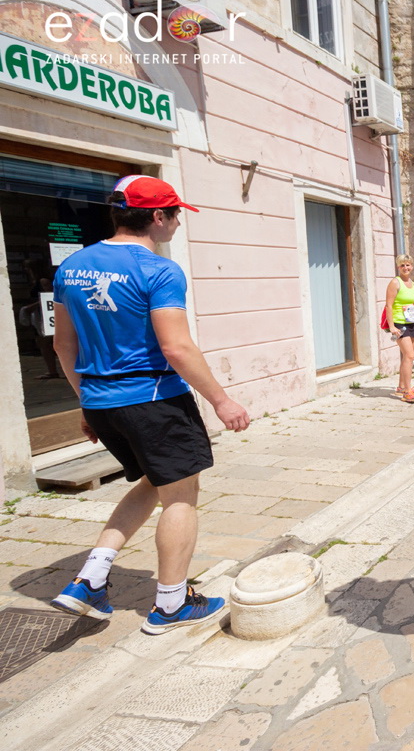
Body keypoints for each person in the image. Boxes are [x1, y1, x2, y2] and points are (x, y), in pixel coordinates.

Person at [49, 175, 250, 634]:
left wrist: (87, 402)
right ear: (156, 217)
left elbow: (64, 346)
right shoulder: (158, 269)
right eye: (175, 214)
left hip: (101, 399)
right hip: (154, 399)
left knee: (154, 483)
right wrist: (221, 400)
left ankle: (90, 578)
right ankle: (171, 604)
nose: (178, 223)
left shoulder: (72, 266)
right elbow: (176, 348)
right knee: (180, 495)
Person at [385, 254, 414, 403]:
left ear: (411, 266)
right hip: (400, 324)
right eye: (402, 265)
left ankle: (401, 386)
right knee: (410, 356)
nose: (405, 268)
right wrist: (392, 326)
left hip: (412, 323)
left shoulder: (413, 284)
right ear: (398, 267)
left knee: (407, 357)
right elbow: (389, 305)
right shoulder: (395, 283)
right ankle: (407, 391)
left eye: (408, 265)